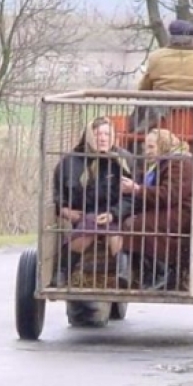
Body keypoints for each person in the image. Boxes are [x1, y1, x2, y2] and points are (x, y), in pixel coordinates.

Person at [52, 117, 134, 287]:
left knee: (114, 233)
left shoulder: (124, 160)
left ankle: (124, 274)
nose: (103, 139)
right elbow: (59, 192)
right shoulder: (70, 161)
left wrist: (113, 214)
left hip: (116, 214)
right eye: (97, 134)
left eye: (107, 134)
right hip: (85, 213)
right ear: (88, 136)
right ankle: (63, 271)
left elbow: (132, 197)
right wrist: (65, 210)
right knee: (87, 229)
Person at [120, 129, 193, 290]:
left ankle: (163, 272)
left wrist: (137, 189)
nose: (146, 151)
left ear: (164, 146)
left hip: (180, 211)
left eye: (151, 147)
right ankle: (140, 272)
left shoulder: (180, 163)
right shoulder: (163, 162)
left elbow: (170, 194)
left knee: (140, 224)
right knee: (131, 221)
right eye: (145, 147)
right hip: (166, 208)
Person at [137, 20, 193, 94]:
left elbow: (144, 88)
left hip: (163, 107)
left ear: (171, 37)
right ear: (192, 39)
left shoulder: (156, 56)